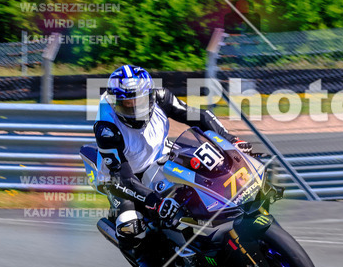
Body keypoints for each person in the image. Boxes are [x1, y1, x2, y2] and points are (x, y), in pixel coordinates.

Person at [92, 64, 249, 241]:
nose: (135, 110)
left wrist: (231, 140)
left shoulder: (161, 97)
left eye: (139, 102)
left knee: (207, 175)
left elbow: (199, 116)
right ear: (114, 103)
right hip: (120, 178)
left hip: (160, 156)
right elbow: (123, 177)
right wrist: (156, 202)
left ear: (151, 96)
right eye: (127, 105)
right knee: (130, 228)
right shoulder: (106, 129)